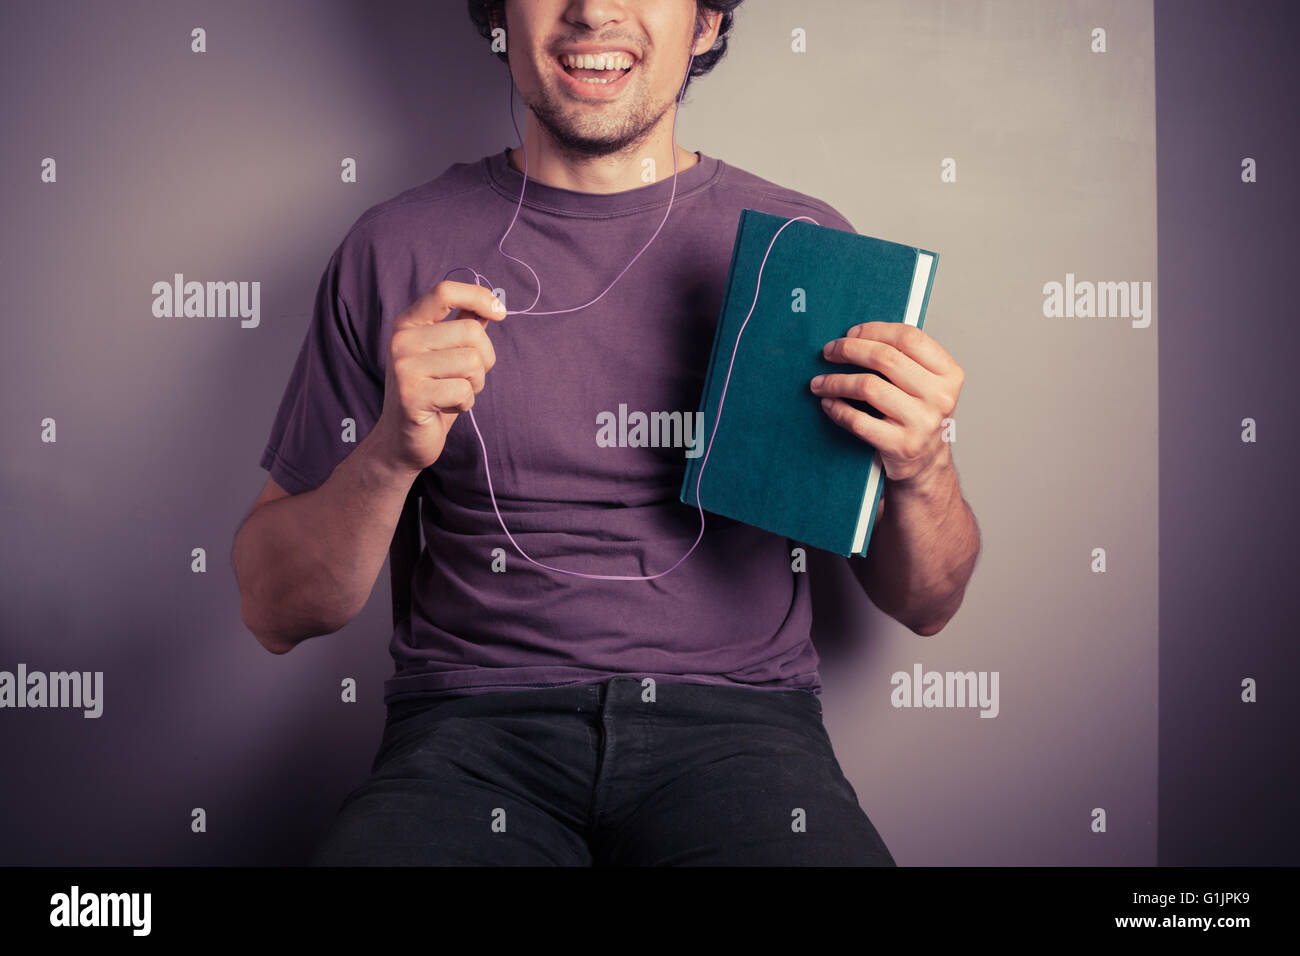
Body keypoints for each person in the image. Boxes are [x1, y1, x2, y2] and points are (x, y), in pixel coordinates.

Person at [232, 0, 980, 866]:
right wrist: (392, 451)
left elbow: (928, 604)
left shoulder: (805, 253)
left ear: (704, 23)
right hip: (469, 740)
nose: (593, 9)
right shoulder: (393, 248)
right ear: (502, 15)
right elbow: (274, 610)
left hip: (741, 736)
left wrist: (924, 467)